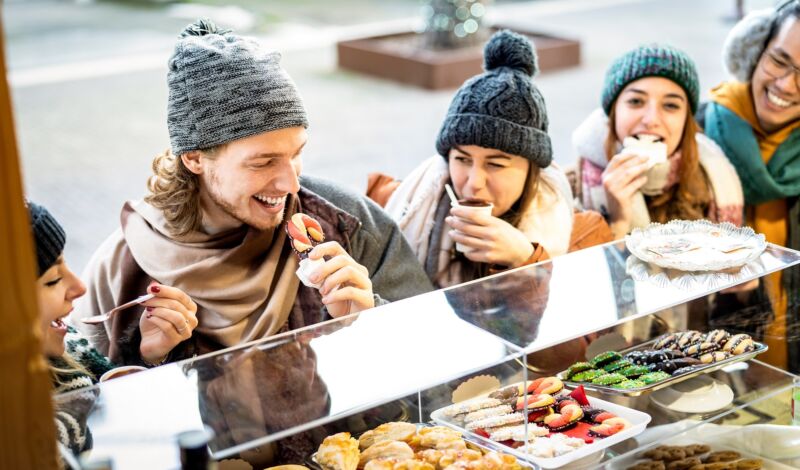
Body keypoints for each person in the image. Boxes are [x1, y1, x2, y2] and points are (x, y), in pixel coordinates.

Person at [73, 19, 432, 365]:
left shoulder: (346, 221)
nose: (291, 185)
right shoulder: (122, 267)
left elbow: (437, 349)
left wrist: (372, 318)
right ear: (196, 158)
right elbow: (86, 402)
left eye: (296, 153)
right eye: (263, 163)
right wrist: (150, 360)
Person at [383, 30, 611, 289]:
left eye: (495, 163)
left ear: (532, 169)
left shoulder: (583, 234)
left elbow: (585, 325)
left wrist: (526, 259)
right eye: (462, 159)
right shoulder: (411, 206)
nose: (474, 182)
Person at [26, 201, 187, 457]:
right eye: (53, 279)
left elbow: (136, 422)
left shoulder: (73, 348)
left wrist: (149, 356)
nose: (80, 287)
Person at [701, 0, 800, 371]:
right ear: (755, 50)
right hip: (707, 371)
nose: (786, 85)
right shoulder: (697, 131)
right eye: (779, 61)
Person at [574, 44, 744, 240]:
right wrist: (617, 221)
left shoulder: (714, 179)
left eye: (670, 105)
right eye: (636, 101)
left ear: (686, 121)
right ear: (613, 113)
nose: (651, 119)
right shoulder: (573, 187)